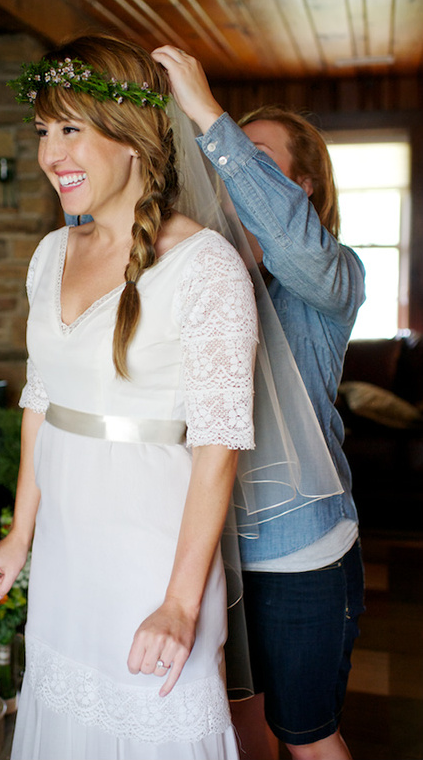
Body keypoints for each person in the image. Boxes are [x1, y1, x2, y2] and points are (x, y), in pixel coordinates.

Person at [0, 34, 259, 760]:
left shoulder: (204, 268)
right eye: (43, 131)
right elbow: (41, 402)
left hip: (153, 575)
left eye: (72, 128)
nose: (50, 154)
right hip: (68, 571)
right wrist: (19, 533)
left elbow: (218, 448)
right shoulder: (47, 256)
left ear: (131, 137)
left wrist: (180, 603)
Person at [151, 46, 366, 760]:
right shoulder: (202, 276)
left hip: (303, 551)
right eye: (229, 159)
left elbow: (288, 241)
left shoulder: (330, 277)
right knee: (240, 731)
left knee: (305, 736)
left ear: (304, 188)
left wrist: (211, 117)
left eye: (257, 159)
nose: (232, 171)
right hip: (216, 550)